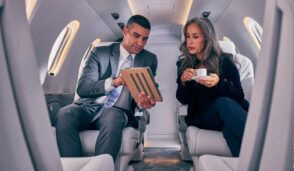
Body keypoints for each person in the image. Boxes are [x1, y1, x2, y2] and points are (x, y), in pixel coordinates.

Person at [55, 15, 157, 161]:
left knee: (112, 116)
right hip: (88, 107)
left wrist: (147, 100)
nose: (140, 43)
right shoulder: (99, 52)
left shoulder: (149, 59)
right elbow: (83, 88)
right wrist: (114, 82)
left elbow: (149, 85)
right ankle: (73, 166)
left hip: (119, 111)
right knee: (64, 113)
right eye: (136, 36)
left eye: (145, 38)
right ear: (125, 31)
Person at [176, 17, 249, 157]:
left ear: (207, 38)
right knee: (223, 103)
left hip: (227, 114)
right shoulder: (183, 64)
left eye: (195, 37)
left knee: (230, 131)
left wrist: (219, 83)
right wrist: (183, 81)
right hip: (204, 117)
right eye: (188, 36)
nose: (190, 42)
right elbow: (182, 99)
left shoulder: (225, 61)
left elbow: (239, 95)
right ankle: (263, 144)